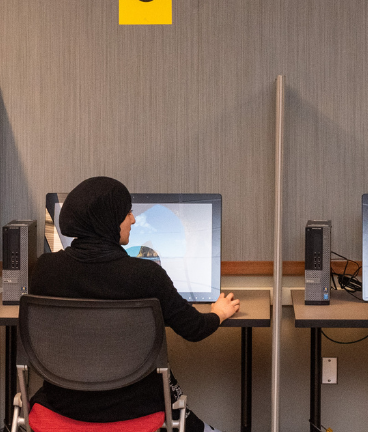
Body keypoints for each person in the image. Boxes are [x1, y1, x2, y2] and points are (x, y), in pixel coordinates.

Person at [28, 176, 239, 432]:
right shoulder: (145, 275)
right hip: (133, 411)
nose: (134, 219)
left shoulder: (44, 269)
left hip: (60, 406)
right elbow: (193, 329)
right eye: (126, 212)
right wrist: (218, 313)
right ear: (107, 219)